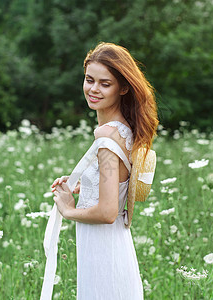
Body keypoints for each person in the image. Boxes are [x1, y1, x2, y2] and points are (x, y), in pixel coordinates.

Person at [50, 42, 158, 299]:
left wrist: (68, 210)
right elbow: (115, 185)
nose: (93, 89)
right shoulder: (123, 129)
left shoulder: (108, 136)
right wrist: (85, 185)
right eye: (89, 80)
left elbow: (109, 211)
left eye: (104, 83)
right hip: (111, 247)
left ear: (123, 88)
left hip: (103, 253)